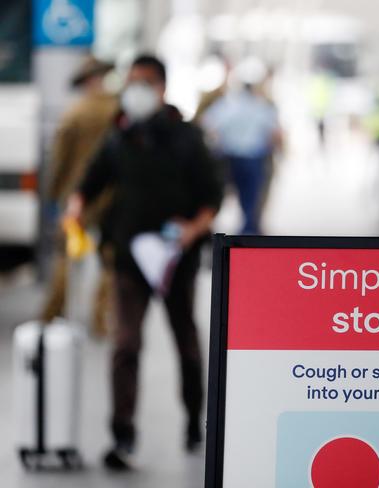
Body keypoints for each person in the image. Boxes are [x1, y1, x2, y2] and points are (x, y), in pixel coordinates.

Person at [64, 55, 224, 470]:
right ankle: (122, 434)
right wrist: (76, 205)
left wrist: (192, 230)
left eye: (145, 82)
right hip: (129, 258)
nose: (136, 90)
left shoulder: (187, 138)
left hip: (177, 260)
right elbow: (91, 179)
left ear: (162, 89)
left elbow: (212, 196)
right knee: (125, 344)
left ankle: (194, 418)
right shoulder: (120, 134)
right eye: (131, 81)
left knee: (186, 342)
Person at [41, 56, 118, 337]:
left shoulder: (74, 113)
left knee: (67, 254)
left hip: (77, 197)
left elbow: (60, 160)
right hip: (112, 197)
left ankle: (53, 312)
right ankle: (101, 318)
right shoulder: (118, 111)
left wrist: (53, 195)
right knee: (109, 259)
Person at [199, 57, 281, 235]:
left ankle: (239, 232)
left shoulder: (227, 105)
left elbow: (208, 126)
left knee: (226, 198)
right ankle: (249, 234)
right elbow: (275, 134)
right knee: (250, 200)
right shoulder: (262, 107)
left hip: (230, 157)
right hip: (253, 159)